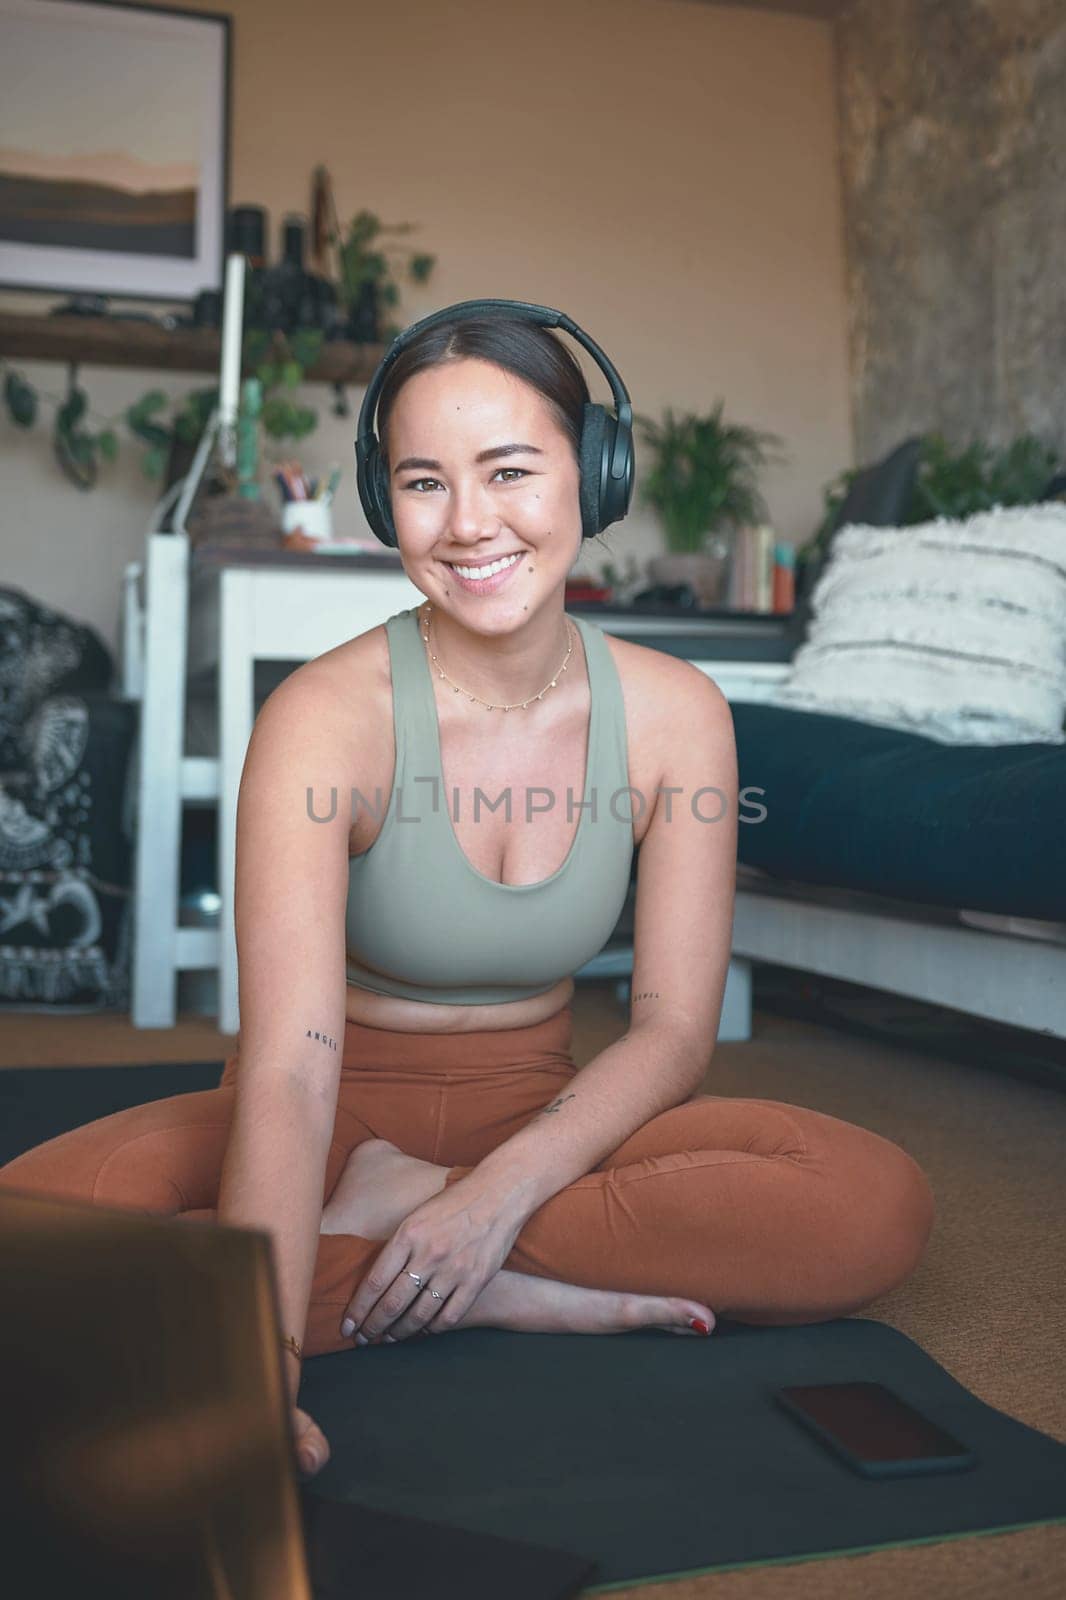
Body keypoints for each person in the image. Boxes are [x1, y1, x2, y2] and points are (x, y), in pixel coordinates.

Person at [0, 307, 936, 1484]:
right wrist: (257, 1365)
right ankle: (491, 1292)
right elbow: (289, 1068)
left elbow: (671, 1029)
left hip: (547, 1118)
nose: (471, 523)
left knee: (870, 1203)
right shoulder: (320, 720)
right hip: (325, 1103)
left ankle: (417, 1228)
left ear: (593, 476)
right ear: (383, 501)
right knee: (22, 1255)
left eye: (510, 470)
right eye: (425, 482)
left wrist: (486, 1192)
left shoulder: (676, 715)